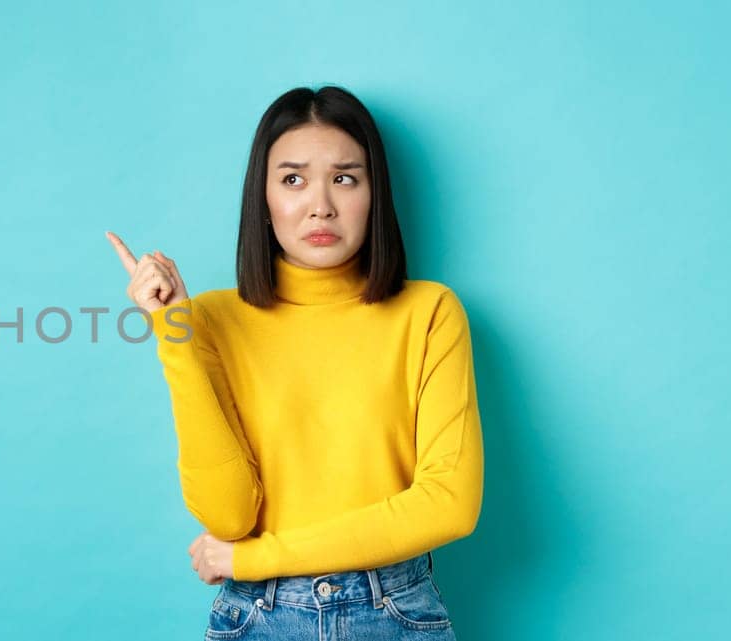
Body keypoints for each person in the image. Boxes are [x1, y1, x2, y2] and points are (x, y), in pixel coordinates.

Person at [106, 85, 483, 639]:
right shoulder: (208, 319)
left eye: (345, 178)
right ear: (262, 199)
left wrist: (253, 560)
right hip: (259, 618)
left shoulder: (429, 313)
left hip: (394, 613)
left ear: (374, 195)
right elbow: (229, 516)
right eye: (293, 179)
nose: (320, 204)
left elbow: (449, 505)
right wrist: (174, 331)